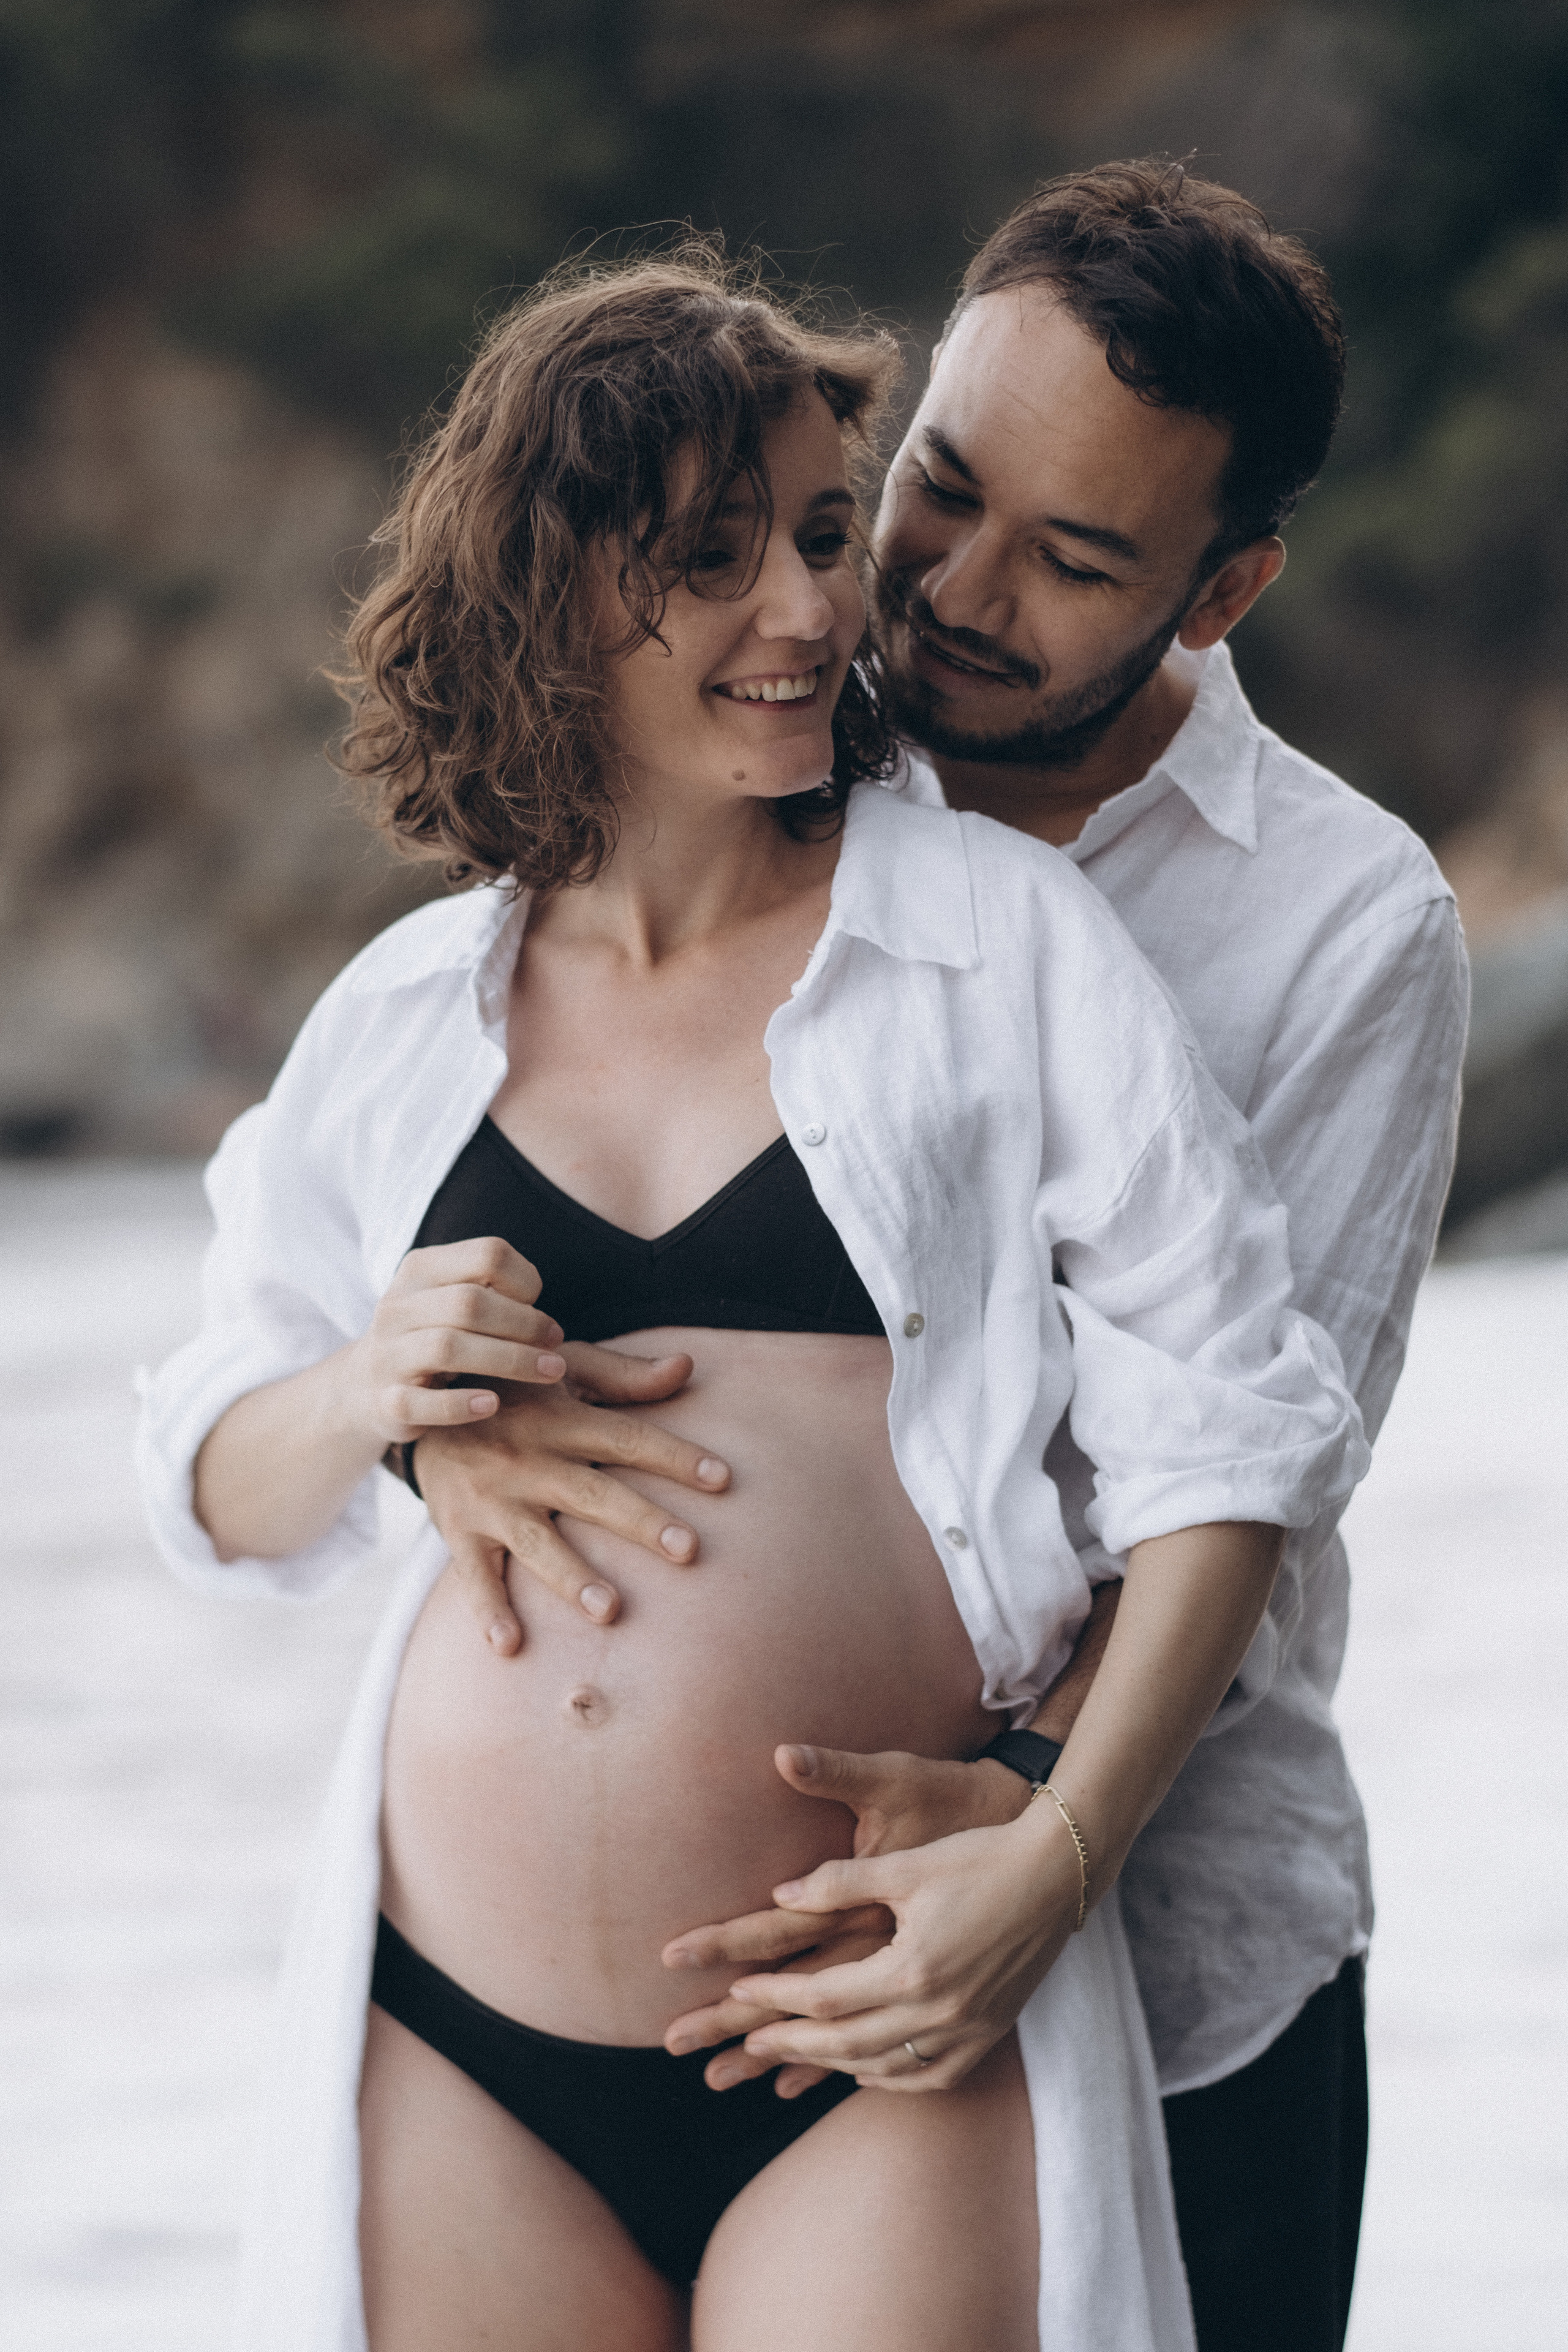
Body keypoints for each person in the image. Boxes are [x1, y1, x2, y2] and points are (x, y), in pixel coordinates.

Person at [136, 249, 1368, 2352]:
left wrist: (1055, 1856)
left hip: (868, 2031)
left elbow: (1233, 1456)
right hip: (463, 2048)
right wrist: (369, 1393)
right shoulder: (411, 1014)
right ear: (550, 590)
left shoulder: (1007, 946)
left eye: (819, 532)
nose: (814, 611)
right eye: (714, 559)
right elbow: (212, 1478)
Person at [410, 170, 1469, 2352]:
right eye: (938, 493)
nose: (951, 596)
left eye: (1076, 562)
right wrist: (416, 1426)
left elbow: (1259, 1462)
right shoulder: (739, 754)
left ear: (1223, 584)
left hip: (1174, 1974)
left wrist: (1035, 1837)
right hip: (599, 2059)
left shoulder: (1343, 925)